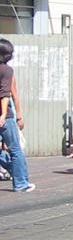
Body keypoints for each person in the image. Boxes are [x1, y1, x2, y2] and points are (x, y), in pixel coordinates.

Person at [0, 38, 35, 192]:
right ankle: (21, 182)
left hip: (5, 114)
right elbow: (7, 94)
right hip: (5, 115)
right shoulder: (7, 71)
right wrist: (8, 115)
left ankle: (15, 171)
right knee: (15, 149)